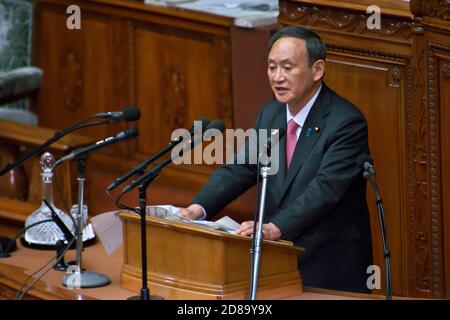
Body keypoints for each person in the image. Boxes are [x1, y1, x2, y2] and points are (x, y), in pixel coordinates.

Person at [180, 26, 373, 293]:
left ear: (317, 70)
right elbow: (243, 167)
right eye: (272, 67)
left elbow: (325, 190)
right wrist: (198, 209)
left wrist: (275, 228)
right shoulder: (270, 114)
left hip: (329, 262)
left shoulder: (346, 122)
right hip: (278, 260)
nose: (277, 77)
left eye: (287, 67)